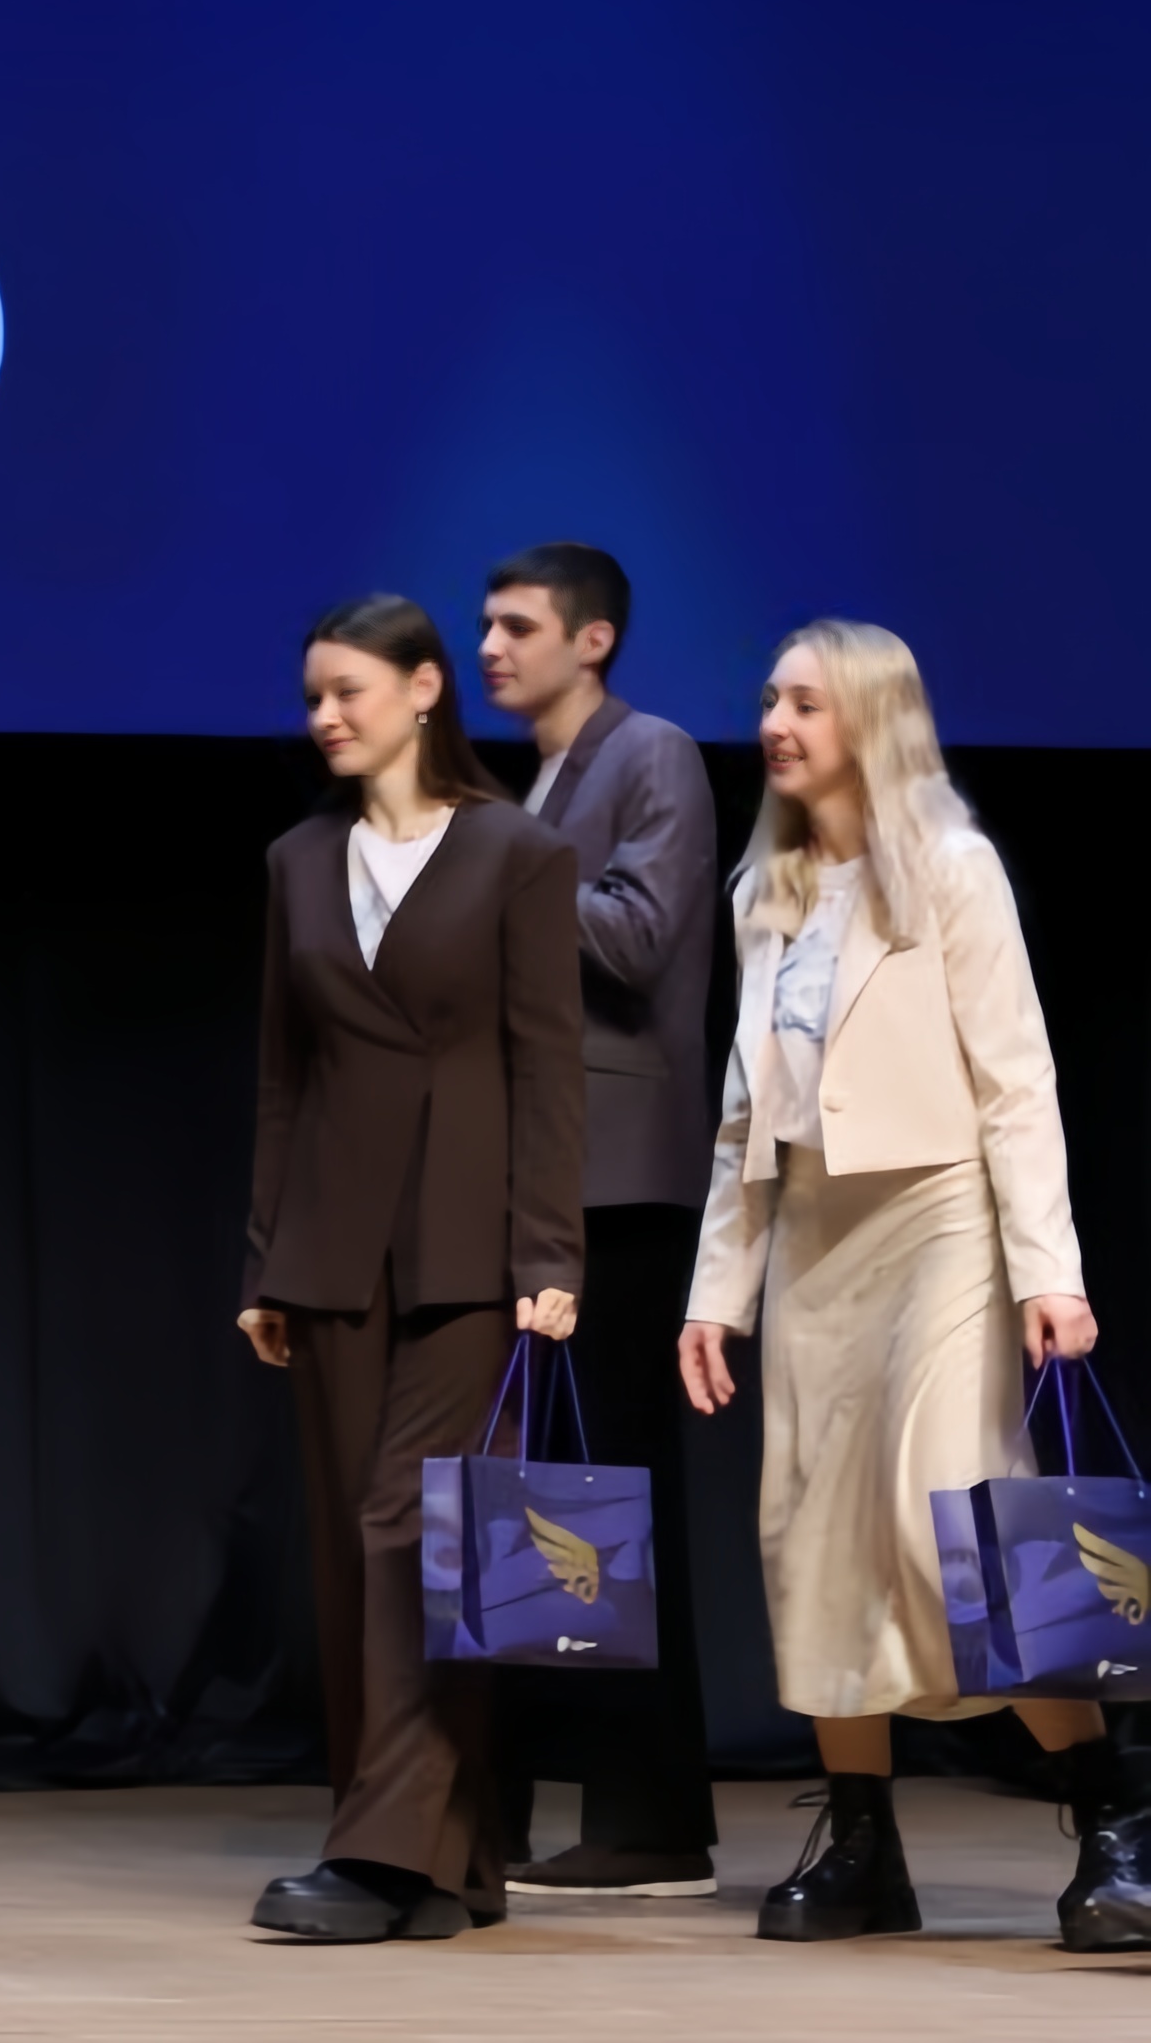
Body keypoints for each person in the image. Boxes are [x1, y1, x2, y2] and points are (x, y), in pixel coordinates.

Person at [679, 619, 1151, 1945]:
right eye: (770, 699)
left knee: (960, 1516)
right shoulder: (765, 891)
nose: (776, 724)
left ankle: (1114, 1812)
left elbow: (1017, 1079)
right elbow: (744, 1117)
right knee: (815, 1537)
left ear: (874, 720)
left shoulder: (952, 867)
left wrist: (1049, 1267)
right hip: (815, 1241)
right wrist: (717, 1291)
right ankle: (862, 1843)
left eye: (807, 703)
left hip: (943, 1219)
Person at [238, 593, 584, 1943]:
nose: (325, 715)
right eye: (313, 696)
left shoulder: (516, 852)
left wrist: (548, 1247)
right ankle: (452, 1864)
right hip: (332, 1244)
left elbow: (547, 1062)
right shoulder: (296, 860)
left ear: (425, 688)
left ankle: (381, 1855)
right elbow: (283, 1075)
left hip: (467, 1244)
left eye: (349, 690)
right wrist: (264, 1257)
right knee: (352, 1548)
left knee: (418, 1537)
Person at [473, 544, 721, 1899]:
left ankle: (652, 1816)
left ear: (594, 638)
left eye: (519, 625)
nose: (492, 646)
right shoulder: (545, 782)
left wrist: (491, 869)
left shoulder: (651, 752)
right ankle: (508, 1797)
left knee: (613, 1488)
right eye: (487, 624)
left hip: (621, 1179)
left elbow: (634, 934)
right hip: (544, 1172)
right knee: (535, 1486)